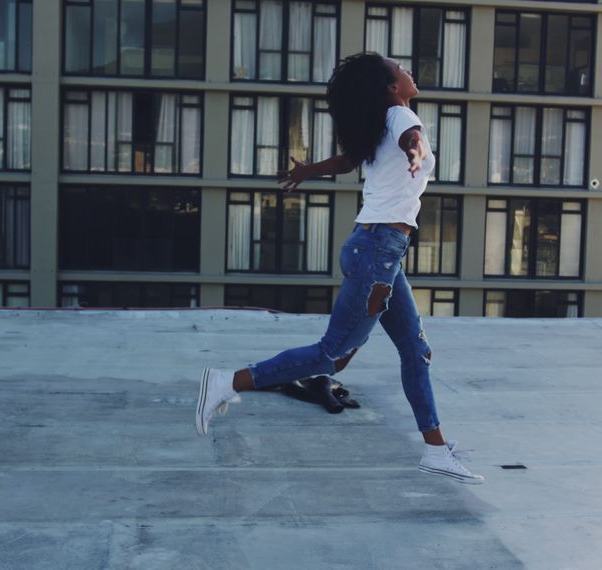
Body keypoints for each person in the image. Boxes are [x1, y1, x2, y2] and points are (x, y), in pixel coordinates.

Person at [196, 52, 483, 484]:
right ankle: (227, 382)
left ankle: (436, 449)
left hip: (382, 251)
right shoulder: (402, 117)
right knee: (331, 354)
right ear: (392, 87)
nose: (409, 71)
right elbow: (414, 137)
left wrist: (309, 171)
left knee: (415, 351)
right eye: (401, 69)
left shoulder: (381, 123)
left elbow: (349, 162)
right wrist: (417, 148)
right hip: (376, 253)